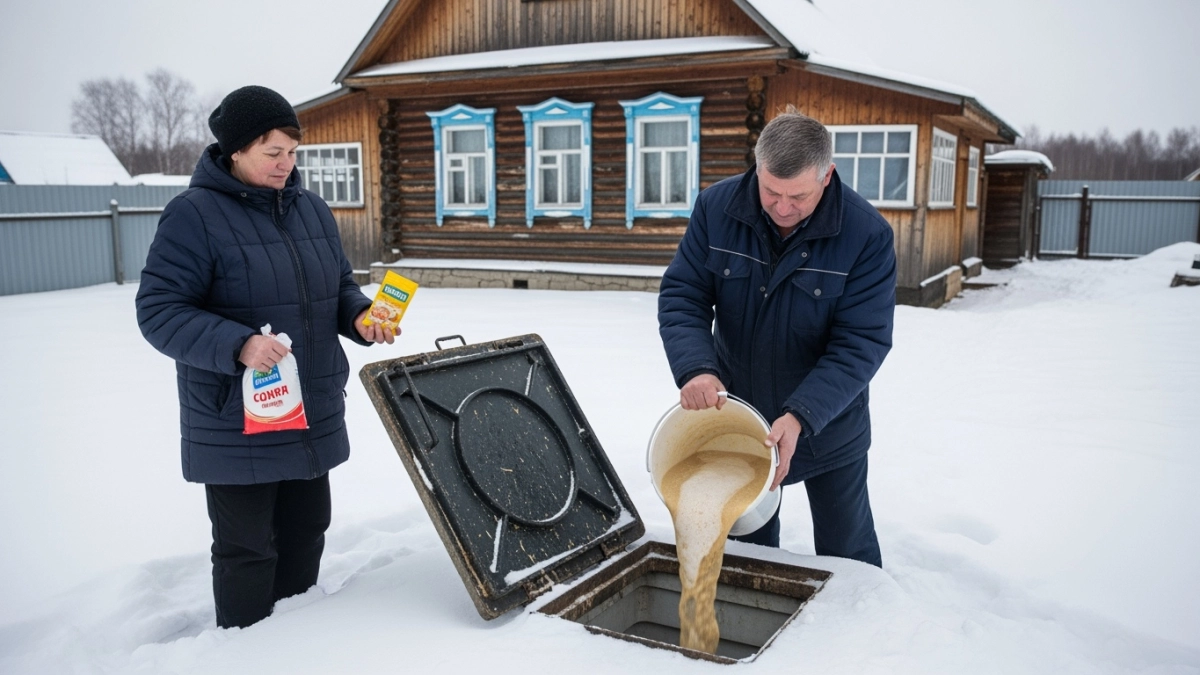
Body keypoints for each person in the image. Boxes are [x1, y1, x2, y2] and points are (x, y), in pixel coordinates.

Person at [135, 85, 395, 628]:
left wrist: (360, 318)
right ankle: (245, 652)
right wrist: (239, 344)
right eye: (271, 154)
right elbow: (158, 310)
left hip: (310, 410)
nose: (286, 165)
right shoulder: (194, 215)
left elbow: (336, 286)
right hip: (237, 419)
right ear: (234, 151)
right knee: (248, 552)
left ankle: (295, 647)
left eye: (293, 152)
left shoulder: (311, 210)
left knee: (306, 534)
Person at [657, 111, 896, 567]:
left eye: (798, 196)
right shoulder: (716, 208)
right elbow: (684, 295)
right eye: (771, 191)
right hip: (740, 423)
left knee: (848, 551)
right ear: (757, 165)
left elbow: (861, 341)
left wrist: (801, 416)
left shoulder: (867, 235)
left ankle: (860, 636)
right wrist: (696, 368)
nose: (783, 208)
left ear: (827, 176)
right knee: (748, 552)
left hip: (828, 425)